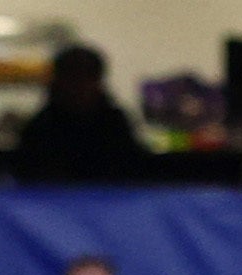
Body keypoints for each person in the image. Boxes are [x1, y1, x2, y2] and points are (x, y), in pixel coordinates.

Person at [10, 44, 148, 185]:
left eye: (86, 77)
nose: (79, 87)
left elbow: (131, 171)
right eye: (72, 77)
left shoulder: (116, 125)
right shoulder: (39, 129)